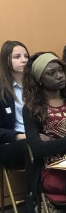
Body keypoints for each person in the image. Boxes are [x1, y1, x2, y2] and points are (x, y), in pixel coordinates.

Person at [23, 52, 66, 197]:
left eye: (60, 71)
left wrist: (55, 144)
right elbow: (39, 149)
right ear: (39, 79)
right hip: (56, 171)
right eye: (51, 73)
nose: (59, 76)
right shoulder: (31, 109)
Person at [0, 41, 30, 172]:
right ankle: (34, 192)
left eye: (26, 56)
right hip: (12, 143)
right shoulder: (2, 90)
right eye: (17, 57)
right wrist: (17, 135)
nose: (24, 60)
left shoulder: (37, 86)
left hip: (38, 138)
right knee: (31, 146)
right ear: (6, 61)